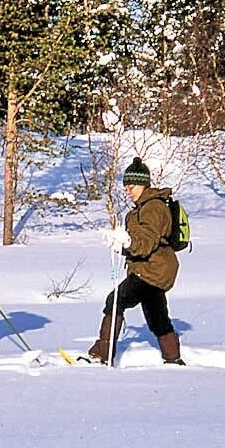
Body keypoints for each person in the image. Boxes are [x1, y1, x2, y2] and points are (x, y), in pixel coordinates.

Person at [87, 157, 184, 366]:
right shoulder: (141, 208)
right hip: (155, 268)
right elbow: (140, 243)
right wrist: (121, 243)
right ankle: (173, 358)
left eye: (131, 186)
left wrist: (128, 242)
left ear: (142, 184)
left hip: (152, 270)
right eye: (126, 186)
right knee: (156, 314)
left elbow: (146, 243)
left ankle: (101, 355)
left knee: (115, 301)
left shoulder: (153, 208)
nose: (128, 190)